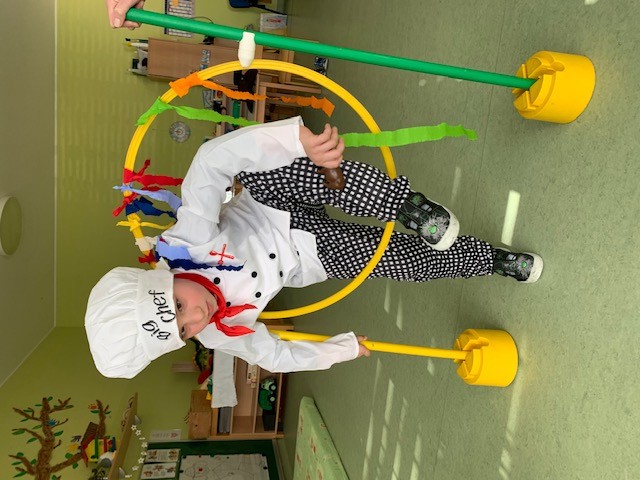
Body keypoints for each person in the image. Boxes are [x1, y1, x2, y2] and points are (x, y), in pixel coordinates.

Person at [85, 117, 543, 379]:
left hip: (274, 205)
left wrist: (296, 140)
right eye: (185, 331)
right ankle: (492, 260)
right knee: (397, 263)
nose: (196, 316)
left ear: (163, 279)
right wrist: (340, 350)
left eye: (178, 306)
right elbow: (274, 355)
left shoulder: (188, 241)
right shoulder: (216, 333)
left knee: (288, 174)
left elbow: (210, 163)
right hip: (308, 253)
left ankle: (408, 207)